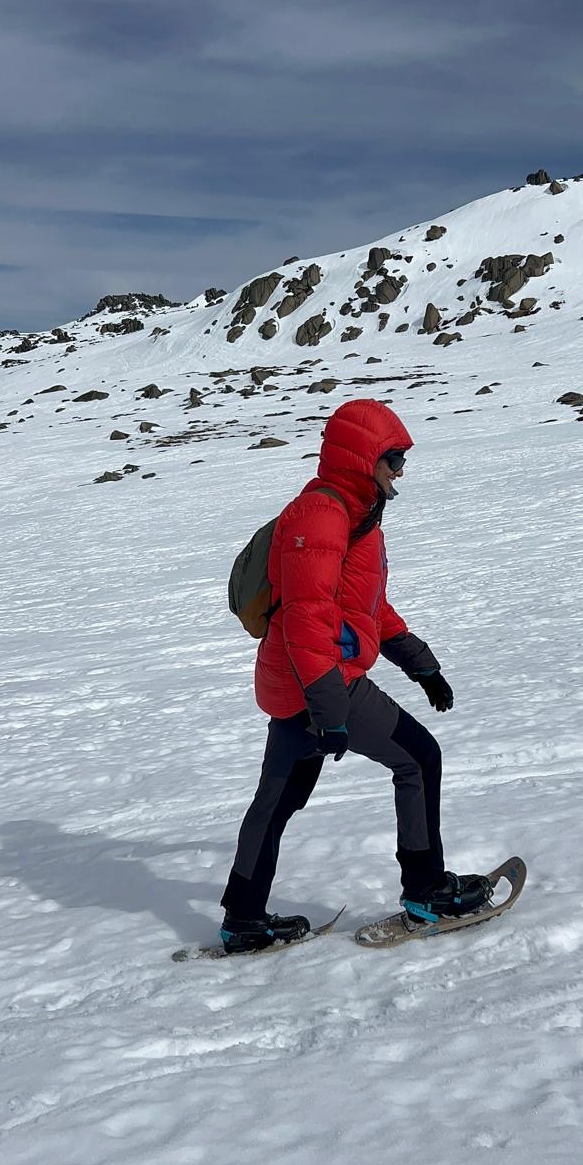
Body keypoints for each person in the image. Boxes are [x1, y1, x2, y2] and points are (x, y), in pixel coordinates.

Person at [219, 398, 492, 952]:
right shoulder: (321, 515)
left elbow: (368, 610)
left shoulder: (358, 515)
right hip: (319, 683)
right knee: (419, 759)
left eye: (404, 459)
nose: (400, 470)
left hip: (302, 685)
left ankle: (242, 918)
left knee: (278, 800)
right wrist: (330, 711)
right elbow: (305, 619)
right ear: (361, 457)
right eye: (392, 458)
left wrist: (422, 664)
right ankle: (426, 890)